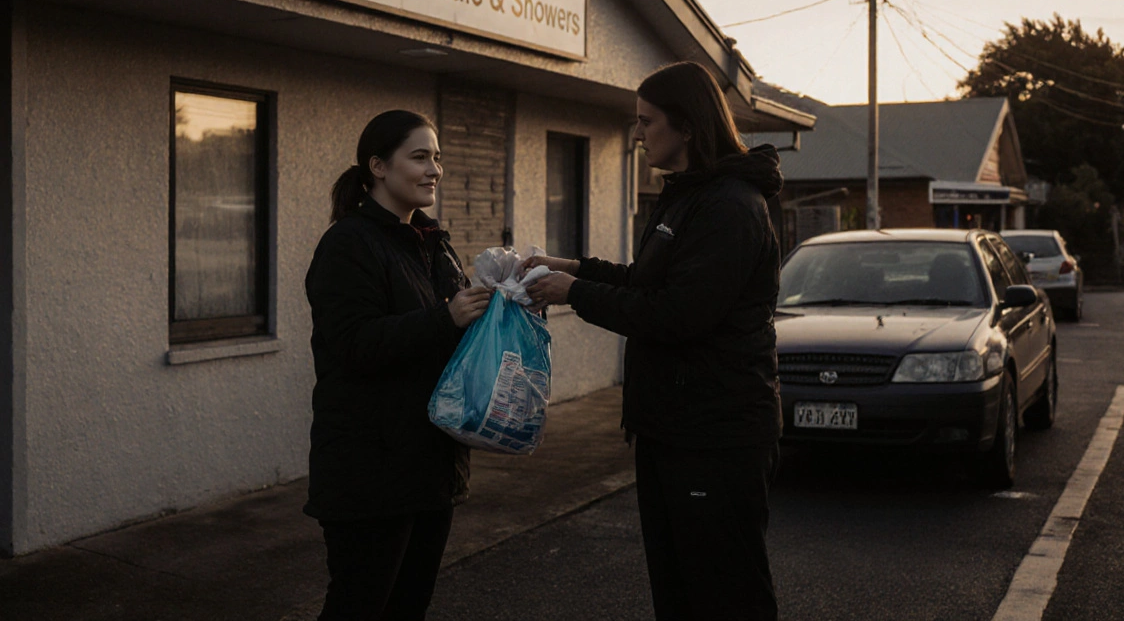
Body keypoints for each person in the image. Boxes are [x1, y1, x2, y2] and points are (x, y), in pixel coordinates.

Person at [525, 61, 785, 620]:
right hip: (671, 428)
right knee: (679, 591)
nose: (637, 134)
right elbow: (648, 281)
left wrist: (574, 291)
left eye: (647, 122)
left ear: (687, 126)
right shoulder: (686, 196)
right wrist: (568, 266)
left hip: (714, 437)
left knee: (726, 594)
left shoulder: (730, 207)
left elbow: (676, 313)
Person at [303, 109, 492, 621]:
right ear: (378, 167)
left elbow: (448, 334)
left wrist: (499, 311)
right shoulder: (349, 244)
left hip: (431, 466)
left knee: (409, 608)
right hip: (370, 474)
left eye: (437, 157)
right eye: (420, 157)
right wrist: (447, 317)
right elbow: (353, 345)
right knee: (359, 607)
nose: (435, 169)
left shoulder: (433, 243)